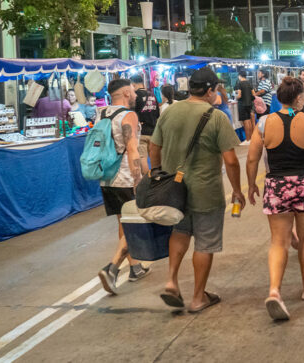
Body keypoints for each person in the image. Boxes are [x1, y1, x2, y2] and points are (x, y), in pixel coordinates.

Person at [149, 67, 243, 312]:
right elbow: (231, 160)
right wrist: (237, 190)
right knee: (205, 243)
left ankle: (171, 280)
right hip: (205, 191)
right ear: (210, 90)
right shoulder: (216, 117)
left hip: (173, 191)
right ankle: (198, 297)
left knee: (179, 234)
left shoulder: (169, 112)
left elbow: (153, 146)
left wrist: (157, 172)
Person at [245, 77, 304, 321]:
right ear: (299, 98)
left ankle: (275, 291)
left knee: (279, 241)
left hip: (276, 185)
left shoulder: (264, 123)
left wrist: (251, 185)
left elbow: (252, 158)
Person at [96, 79, 149, 294]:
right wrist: (139, 179)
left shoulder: (101, 114)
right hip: (126, 177)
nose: (136, 95)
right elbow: (132, 150)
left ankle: (135, 266)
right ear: (126, 93)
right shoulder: (129, 116)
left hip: (107, 178)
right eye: (134, 92)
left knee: (123, 221)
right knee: (135, 222)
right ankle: (113, 268)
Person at [131, 74, 160, 171]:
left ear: (133, 84)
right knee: (154, 158)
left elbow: (132, 114)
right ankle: (157, 179)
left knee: (142, 158)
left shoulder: (135, 96)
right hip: (153, 132)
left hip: (141, 133)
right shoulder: (152, 95)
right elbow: (157, 114)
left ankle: (146, 181)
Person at [235, 69, 255, 144]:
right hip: (249, 104)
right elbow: (254, 94)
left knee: (246, 122)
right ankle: (250, 138)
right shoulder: (249, 83)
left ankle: (247, 139)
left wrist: (235, 97)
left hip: (242, 104)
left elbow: (239, 95)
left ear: (240, 76)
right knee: (249, 121)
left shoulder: (240, 83)